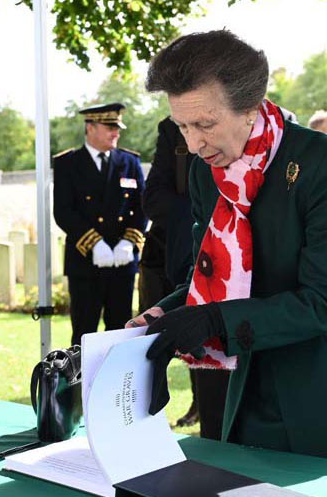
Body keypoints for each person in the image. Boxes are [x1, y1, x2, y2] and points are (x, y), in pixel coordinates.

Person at [130, 30, 327, 468]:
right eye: (182, 127)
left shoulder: (324, 163)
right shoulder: (202, 172)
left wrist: (212, 318)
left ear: (251, 109)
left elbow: (324, 302)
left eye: (205, 125)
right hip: (249, 363)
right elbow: (207, 275)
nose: (193, 144)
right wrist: (164, 314)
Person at [141, 116, 231, 436]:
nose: (193, 143)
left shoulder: (285, 130)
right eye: (184, 131)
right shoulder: (172, 131)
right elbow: (154, 198)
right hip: (186, 260)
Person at [53, 103, 147, 346]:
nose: (116, 133)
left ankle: (118, 385)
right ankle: (82, 385)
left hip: (122, 262)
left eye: (118, 127)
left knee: (121, 333)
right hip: (85, 264)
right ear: (90, 127)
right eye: (110, 127)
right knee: (84, 334)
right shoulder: (67, 163)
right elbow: (63, 211)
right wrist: (94, 243)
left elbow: (143, 207)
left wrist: (129, 241)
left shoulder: (130, 161)